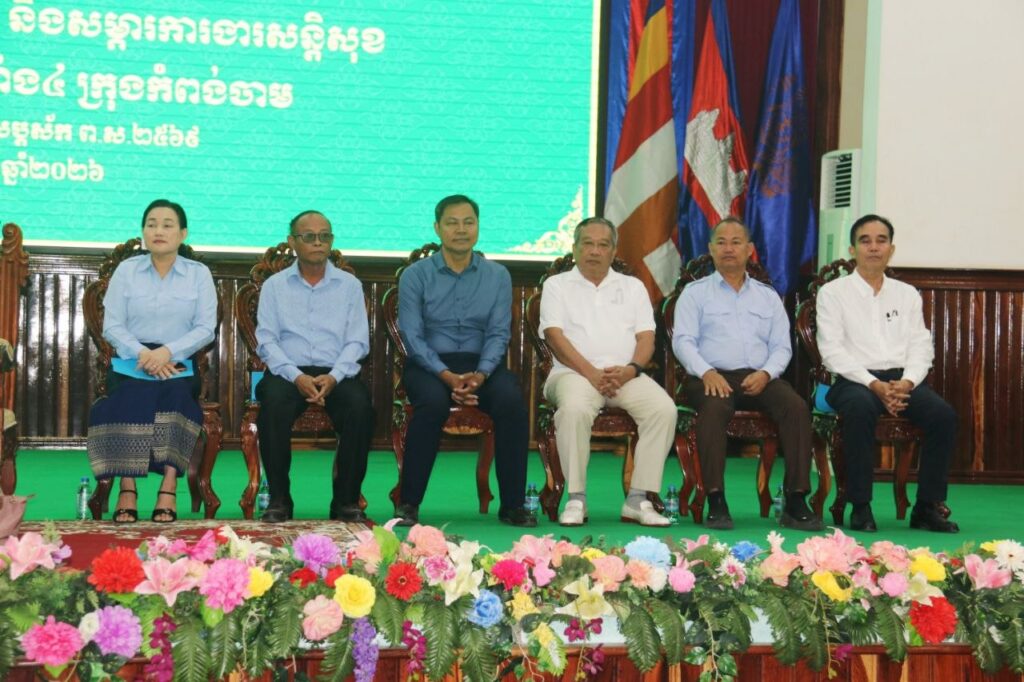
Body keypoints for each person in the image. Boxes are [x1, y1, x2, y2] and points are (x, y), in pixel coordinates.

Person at [672, 217, 823, 531]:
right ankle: (715, 498)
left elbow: (782, 347)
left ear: (749, 249)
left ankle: (796, 499)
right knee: (714, 408)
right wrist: (707, 372)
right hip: (708, 376)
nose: (729, 249)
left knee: (795, 407)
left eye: (736, 242)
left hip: (759, 376)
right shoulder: (695, 293)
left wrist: (766, 373)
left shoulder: (767, 296)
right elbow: (683, 341)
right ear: (711, 249)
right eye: (721, 242)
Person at [396, 194, 534, 527]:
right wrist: (446, 376)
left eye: (468, 222)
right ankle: (409, 503)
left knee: (511, 400)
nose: (461, 230)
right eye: (452, 223)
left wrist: (481, 374)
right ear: (437, 228)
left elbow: (499, 332)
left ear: (478, 227)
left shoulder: (497, 275)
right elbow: (412, 336)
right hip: (429, 365)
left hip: (481, 365)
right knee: (431, 403)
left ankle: (513, 505)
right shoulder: (415, 275)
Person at [816, 214, 959, 533]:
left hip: (900, 380)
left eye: (881, 241)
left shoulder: (906, 294)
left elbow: (921, 346)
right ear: (852, 249)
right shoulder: (833, 293)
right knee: (859, 407)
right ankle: (860, 506)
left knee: (943, 416)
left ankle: (926, 508)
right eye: (865, 241)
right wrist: (873, 384)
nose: (873, 247)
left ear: (891, 249)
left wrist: (907, 382)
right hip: (853, 380)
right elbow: (832, 352)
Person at [539, 217, 676, 527]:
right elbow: (554, 337)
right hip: (572, 373)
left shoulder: (633, 287)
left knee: (663, 409)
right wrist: (591, 373)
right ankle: (576, 498)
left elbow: (646, 338)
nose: (595, 251)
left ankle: (638, 499)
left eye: (603, 245)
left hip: (623, 375)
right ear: (574, 248)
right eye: (587, 243)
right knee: (574, 409)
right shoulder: (556, 285)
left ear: (614, 251)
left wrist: (631, 370)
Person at [87, 199, 217, 524]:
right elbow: (112, 325)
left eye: (167, 225)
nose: (158, 230)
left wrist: (167, 353)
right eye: (152, 224)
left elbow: (205, 328)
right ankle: (127, 487)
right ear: (143, 231)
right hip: (132, 359)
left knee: (177, 396)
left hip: (178, 360)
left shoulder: (198, 274)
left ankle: (168, 486)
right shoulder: (127, 271)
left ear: (182, 233)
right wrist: (143, 354)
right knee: (128, 395)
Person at [254, 210, 375, 523]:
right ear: (292, 241)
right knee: (273, 402)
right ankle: (279, 499)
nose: (318, 242)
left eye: (325, 236)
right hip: (287, 372)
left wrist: (334, 377)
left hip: (336, 372)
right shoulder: (274, 286)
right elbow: (267, 341)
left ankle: (346, 501)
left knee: (359, 406)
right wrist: (297, 377)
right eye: (309, 236)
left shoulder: (349, 285)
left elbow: (358, 341)